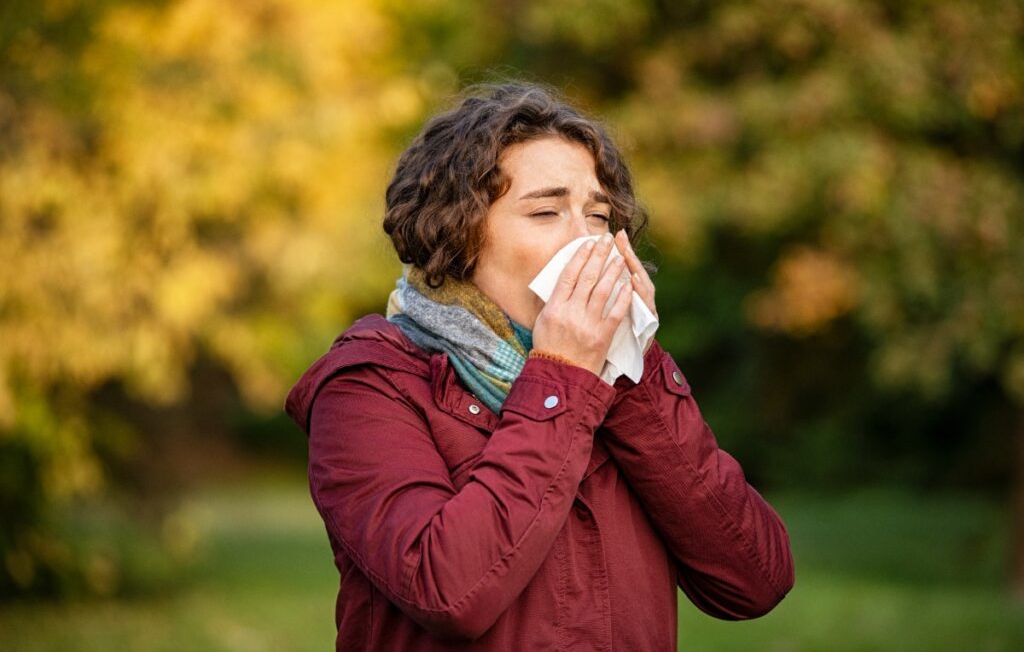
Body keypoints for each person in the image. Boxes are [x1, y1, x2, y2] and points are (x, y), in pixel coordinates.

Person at [285, 82, 795, 651]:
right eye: (547, 211)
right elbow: (448, 592)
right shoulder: (369, 385)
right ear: (459, 234)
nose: (586, 241)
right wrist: (562, 376)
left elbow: (755, 581)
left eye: (599, 216)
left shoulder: (618, 384)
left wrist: (631, 366)